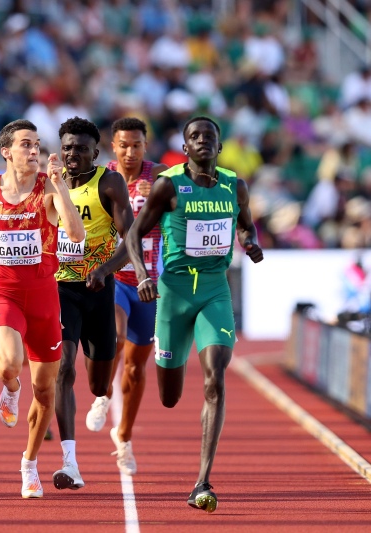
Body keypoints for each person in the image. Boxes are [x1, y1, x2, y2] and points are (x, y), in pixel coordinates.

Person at [125, 116, 263, 512]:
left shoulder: (234, 185)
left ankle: (202, 479)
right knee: (170, 395)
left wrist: (249, 243)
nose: (203, 141)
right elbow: (135, 234)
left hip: (216, 291)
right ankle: (171, 364)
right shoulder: (168, 185)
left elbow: (246, 227)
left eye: (210, 136)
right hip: (174, 292)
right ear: (185, 148)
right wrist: (142, 275)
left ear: (219, 147)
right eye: (194, 137)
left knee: (215, 378)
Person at [0, 119, 85, 498]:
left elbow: (77, 234)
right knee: (8, 365)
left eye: (36, 145)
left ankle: (29, 463)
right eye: (25, 145)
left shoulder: (49, 191)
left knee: (47, 391)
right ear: (6, 151)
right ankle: (11, 389)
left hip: (46, 300)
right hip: (5, 295)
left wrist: (61, 186)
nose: (33, 151)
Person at [51, 117, 134, 491]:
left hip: (99, 290)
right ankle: (70, 462)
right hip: (60, 289)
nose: (72, 155)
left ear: (95, 153)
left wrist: (104, 269)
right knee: (63, 368)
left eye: (81, 149)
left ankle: (101, 396)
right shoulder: (48, 186)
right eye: (67, 147)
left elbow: (129, 241)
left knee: (99, 383)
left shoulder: (109, 183)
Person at [84, 117, 168, 477]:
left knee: (135, 368)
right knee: (114, 337)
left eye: (136, 145)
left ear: (145, 146)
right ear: (113, 147)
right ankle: (102, 395)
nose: (130, 152)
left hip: (147, 285)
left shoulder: (163, 176)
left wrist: (162, 198)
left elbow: (184, 210)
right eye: (123, 145)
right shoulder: (105, 179)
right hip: (114, 277)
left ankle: (125, 438)